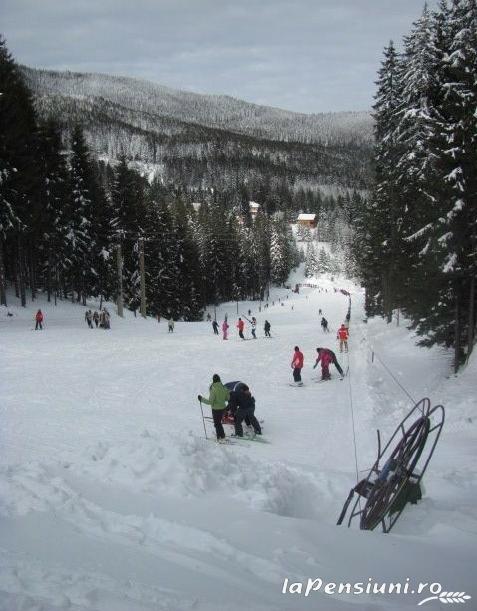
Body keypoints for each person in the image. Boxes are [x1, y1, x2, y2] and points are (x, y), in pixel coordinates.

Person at [198, 374, 230, 442]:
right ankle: (222, 435)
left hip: (216, 409)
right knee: (219, 423)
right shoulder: (224, 387)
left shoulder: (213, 389)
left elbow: (210, 402)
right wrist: (221, 399)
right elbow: (227, 398)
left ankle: (220, 437)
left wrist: (201, 399)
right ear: (219, 379)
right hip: (223, 408)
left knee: (217, 423)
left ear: (213, 380)